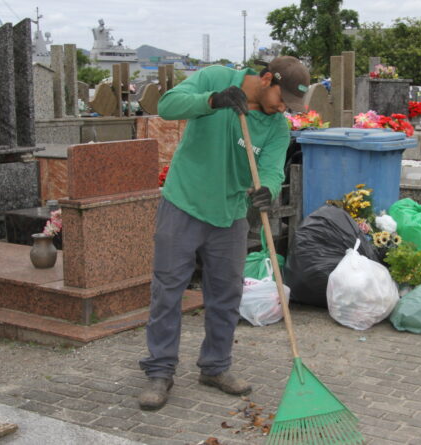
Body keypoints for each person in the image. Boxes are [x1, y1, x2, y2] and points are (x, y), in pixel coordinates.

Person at [138, 56, 310, 410]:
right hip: (184, 201)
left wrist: (268, 190)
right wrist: (213, 100)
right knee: (168, 289)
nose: (283, 109)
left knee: (226, 294)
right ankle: (160, 370)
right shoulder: (216, 78)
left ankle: (215, 366)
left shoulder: (276, 126)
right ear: (266, 79)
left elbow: (272, 170)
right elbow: (167, 106)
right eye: (282, 99)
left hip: (230, 214)